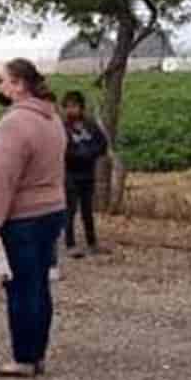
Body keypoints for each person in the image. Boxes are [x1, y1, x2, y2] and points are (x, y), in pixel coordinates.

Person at [0, 58, 66, 378]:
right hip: (52, 210)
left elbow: (4, 179)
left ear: (18, 85)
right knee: (39, 286)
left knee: (20, 289)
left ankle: (23, 357)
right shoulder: (51, 117)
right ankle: (37, 352)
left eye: (1, 80)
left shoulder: (15, 123)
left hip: (23, 216)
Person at [60, 91, 109, 259]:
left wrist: (90, 153)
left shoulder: (91, 125)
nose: (71, 110)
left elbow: (102, 144)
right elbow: (64, 150)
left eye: (74, 106)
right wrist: (80, 154)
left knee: (87, 209)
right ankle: (70, 243)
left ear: (81, 107)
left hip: (88, 173)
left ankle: (92, 242)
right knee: (70, 210)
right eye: (68, 107)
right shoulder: (62, 127)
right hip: (70, 174)